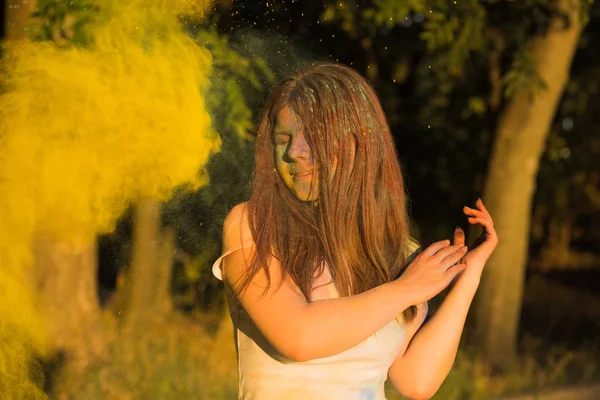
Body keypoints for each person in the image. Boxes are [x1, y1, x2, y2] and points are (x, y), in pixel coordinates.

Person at [212, 63, 498, 400]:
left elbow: (415, 381)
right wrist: (407, 288)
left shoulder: (396, 251)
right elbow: (299, 339)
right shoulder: (253, 227)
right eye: (283, 139)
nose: (294, 153)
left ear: (359, 144)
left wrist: (470, 275)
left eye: (312, 137)